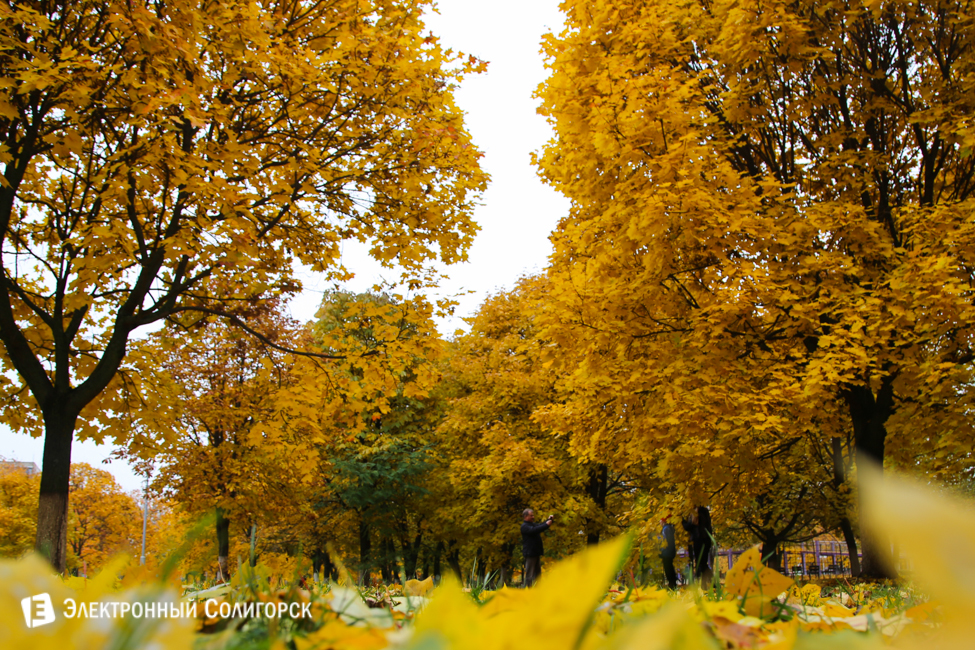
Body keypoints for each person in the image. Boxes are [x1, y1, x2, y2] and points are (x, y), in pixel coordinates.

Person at [521, 508, 554, 587]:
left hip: (535, 553)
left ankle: (537, 591)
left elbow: (540, 525)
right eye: (531, 515)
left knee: (538, 575)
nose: (533, 517)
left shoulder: (532, 524)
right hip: (530, 553)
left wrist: (549, 520)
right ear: (526, 516)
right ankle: (528, 590)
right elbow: (535, 530)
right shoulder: (524, 526)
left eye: (533, 515)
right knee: (530, 575)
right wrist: (547, 525)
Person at [682, 505, 714, 585]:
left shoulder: (696, 512)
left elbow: (688, 526)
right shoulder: (705, 511)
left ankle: (712, 583)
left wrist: (683, 520)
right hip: (706, 540)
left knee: (701, 563)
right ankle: (706, 584)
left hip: (699, 540)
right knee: (702, 563)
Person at [659, 514, 678, 589]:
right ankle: (672, 584)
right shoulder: (668, 528)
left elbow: (666, 541)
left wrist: (662, 550)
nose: (659, 522)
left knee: (668, 568)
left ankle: (672, 585)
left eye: (660, 520)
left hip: (667, 552)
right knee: (669, 568)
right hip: (669, 552)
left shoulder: (666, 529)